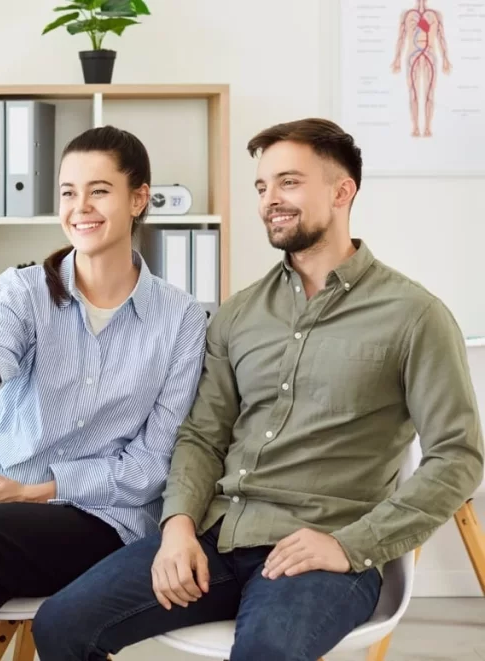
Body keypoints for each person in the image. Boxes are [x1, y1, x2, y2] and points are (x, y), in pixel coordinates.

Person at [32, 117, 485, 661]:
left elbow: (457, 458)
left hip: (320, 551)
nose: (271, 199)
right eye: (263, 186)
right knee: (60, 623)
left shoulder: (415, 316)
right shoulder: (239, 314)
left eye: (289, 182)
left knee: (265, 652)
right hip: (217, 537)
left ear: (343, 192)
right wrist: (176, 527)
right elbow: (202, 435)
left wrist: (350, 545)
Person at [0, 125, 209, 660]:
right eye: (69, 193)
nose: (80, 207)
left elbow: (151, 465)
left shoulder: (182, 320)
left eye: (99, 190)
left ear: (138, 198)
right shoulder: (23, 290)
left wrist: (37, 491)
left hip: (98, 518)